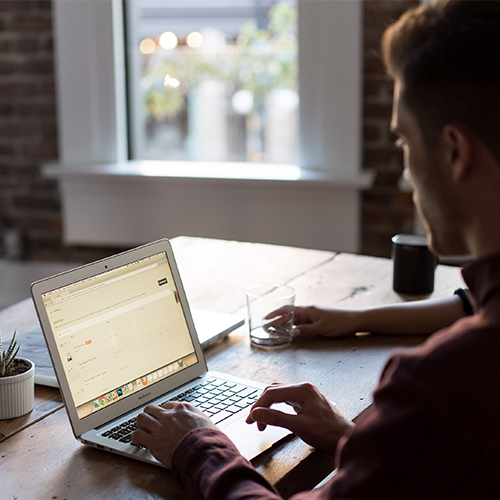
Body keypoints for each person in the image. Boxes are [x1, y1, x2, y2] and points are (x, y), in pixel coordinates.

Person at [132, 1, 500, 498]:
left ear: (455, 152)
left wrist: (197, 445)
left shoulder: (441, 387)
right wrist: (358, 441)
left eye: (404, 143)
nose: (406, 175)